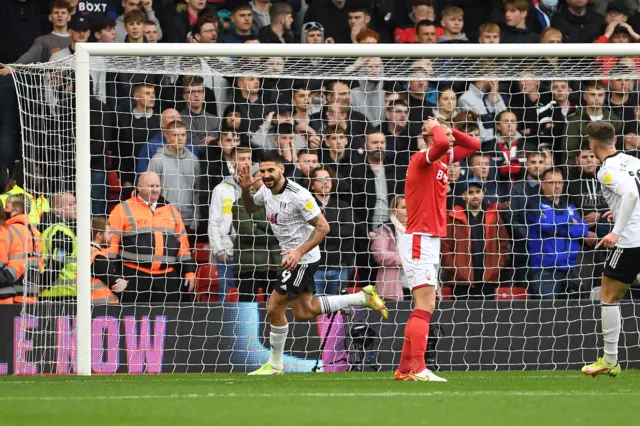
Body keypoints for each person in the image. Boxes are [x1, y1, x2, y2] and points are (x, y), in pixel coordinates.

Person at [238, 150, 388, 376]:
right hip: (293, 257)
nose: (267, 175)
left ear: (282, 169)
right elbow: (251, 208)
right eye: (263, 171)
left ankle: (275, 365)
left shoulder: (299, 195)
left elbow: (323, 227)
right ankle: (361, 297)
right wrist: (245, 188)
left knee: (273, 307)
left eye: (271, 170)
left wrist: (298, 253)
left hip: (302, 260)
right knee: (304, 312)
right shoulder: (266, 190)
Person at [395, 118, 480, 382]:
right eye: (447, 134)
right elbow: (442, 142)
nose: (452, 139)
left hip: (428, 240)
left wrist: (446, 127)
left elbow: (474, 143)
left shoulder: (443, 158)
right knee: (426, 305)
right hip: (419, 238)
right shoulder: (423, 158)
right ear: (431, 136)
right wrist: (435, 126)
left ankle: (405, 368)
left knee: (422, 306)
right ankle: (419, 369)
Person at [582, 121, 640, 377]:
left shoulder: (605, 170)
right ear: (615, 139)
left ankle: (610, 359)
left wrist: (616, 230)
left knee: (608, 295)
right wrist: (615, 211)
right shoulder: (631, 160)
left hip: (630, 239)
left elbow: (630, 195)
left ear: (591, 144)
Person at [107, 172, 196, 304]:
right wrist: (112, 275)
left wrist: (189, 272)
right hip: (134, 276)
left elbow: (183, 245)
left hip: (167, 279)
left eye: (157, 186)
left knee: (167, 321)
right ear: (139, 187)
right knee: (134, 321)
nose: (155, 189)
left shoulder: (172, 211)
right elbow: (111, 245)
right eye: (150, 186)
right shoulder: (122, 209)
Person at [525, 168, 590, 298]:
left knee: (574, 313)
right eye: (553, 182)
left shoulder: (569, 207)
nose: (558, 186)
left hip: (571, 269)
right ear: (543, 185)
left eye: (560, 183)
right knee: (548, 314)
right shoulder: (534, 205)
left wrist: (559, 228)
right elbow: (547, 226)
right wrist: (569, 221)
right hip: (545, 270)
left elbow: (583, 230)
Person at [441, 179, 509, 299]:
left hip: (488, 280)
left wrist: (496, 268)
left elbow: (503, 244)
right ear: (463, 196)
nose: (475, 195)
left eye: (478, 192)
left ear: (483, 194)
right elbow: (446, 246)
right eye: (470, 192)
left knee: (487, 316)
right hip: (461, 281)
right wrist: (455, 269)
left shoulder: (494, 216)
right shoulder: (453, 217)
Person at [148, 120, 200, 237]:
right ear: (167, 137)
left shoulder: (194, 160)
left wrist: (196, 218)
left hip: (188, 221)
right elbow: (150, 192)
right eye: (175, 135)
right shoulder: (157, 160)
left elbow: (198, 192)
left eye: (183, 135)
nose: (180, 138)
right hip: (165, 220)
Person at [309, 166, 355, 296]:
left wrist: (323, 229)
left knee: (337, 312)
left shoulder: (344, 206)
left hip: (339, 266)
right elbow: (308, 232)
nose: (325, 182)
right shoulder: (307, 206)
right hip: (314, 268)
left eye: (328, 179)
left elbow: (348, 231)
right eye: (320, 179)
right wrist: (334, 230)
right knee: (314, 309)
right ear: (312, 185)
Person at [39, 192, 77, 298]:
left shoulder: (49, 229)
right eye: (71, 204)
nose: (75, 207)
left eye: (75, 203)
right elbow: (59, 258)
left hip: (51, 292)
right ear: (58, 209)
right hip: (61, 294)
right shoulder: (61, 230)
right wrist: (45, 282)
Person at [5, 194, 42, 303]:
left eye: (7, 207)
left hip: (14, 293)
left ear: (15, 211)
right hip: (32, 292)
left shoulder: (9, 230)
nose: (4, 211)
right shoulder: (34, 233)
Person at [372, 195, 408, 301]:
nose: (408, 210)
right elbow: (379, 254)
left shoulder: (420, 230)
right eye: (404, 207)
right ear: (394, 210)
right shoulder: (385, 229)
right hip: (394, 289)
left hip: (418, 286)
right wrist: (407, 258)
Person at [90, 217, 127, 304]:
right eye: (109, 233)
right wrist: (125, 283)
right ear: (99, 235)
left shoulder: (86, 252)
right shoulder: (98, 257)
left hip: (94, 304)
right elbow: (115, 283)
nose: (112, 236)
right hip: (103, 308)